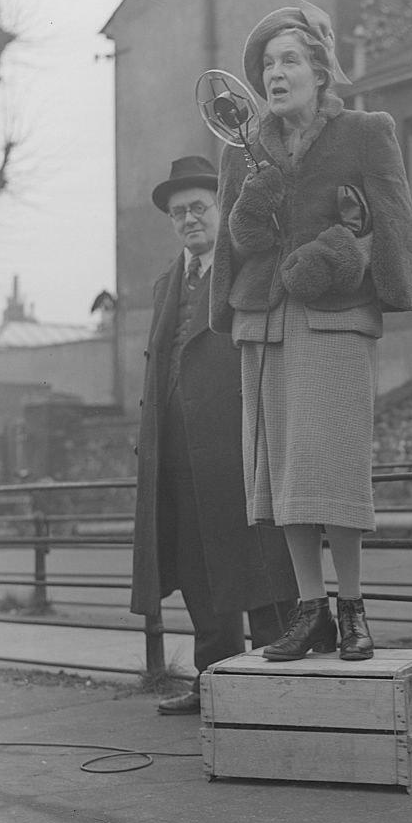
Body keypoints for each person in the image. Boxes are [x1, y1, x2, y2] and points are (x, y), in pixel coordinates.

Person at [210, 0, 412, 662]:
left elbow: (389, 217)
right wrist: (257, 196)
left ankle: (353, 608)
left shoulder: (364, 130)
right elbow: (233, 243)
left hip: (334, 316)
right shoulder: (241, 150)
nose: (276, 74)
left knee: (332, 464)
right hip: (264, 320)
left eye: (290, 60)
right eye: (267, 64)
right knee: (284, 475)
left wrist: (355, 263)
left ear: (320, 70)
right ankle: (312, 611)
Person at [132, 155, 298, 713]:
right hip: (177, 454)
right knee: (198, 565)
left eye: (199, 207)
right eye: (179, 212)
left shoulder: (246, 266)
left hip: (239, 444)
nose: (189, 219)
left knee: (259, 560)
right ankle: (213, 683)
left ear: (221, 208)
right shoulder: (166, 284)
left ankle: (274, 687)